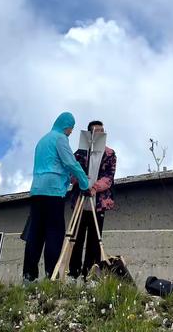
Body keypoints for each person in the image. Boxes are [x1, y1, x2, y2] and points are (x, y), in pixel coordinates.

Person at [22, 112, 90, 282]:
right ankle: (51, 275)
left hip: (37, 190)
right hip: (53, 191)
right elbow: (70, 162)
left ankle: (28, 277)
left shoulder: (42, 140)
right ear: (66, 126)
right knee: (54, 232)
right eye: (71, 128)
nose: (71, 132)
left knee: (35, 234)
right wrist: (84, 182)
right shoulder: (60, 139)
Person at [68, 120, 117, 280]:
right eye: (96, 131)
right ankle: (73, 274)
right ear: (89, 134)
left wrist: (94, 187)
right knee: (76, 240)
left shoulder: (110, 154)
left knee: (95, 242)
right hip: (80, 204)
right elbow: (72, 174)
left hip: (98, 203)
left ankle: (88, 275)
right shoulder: (80, 153)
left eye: (102, 130)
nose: (100, 133)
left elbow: (109, 177)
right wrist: (81, 183)